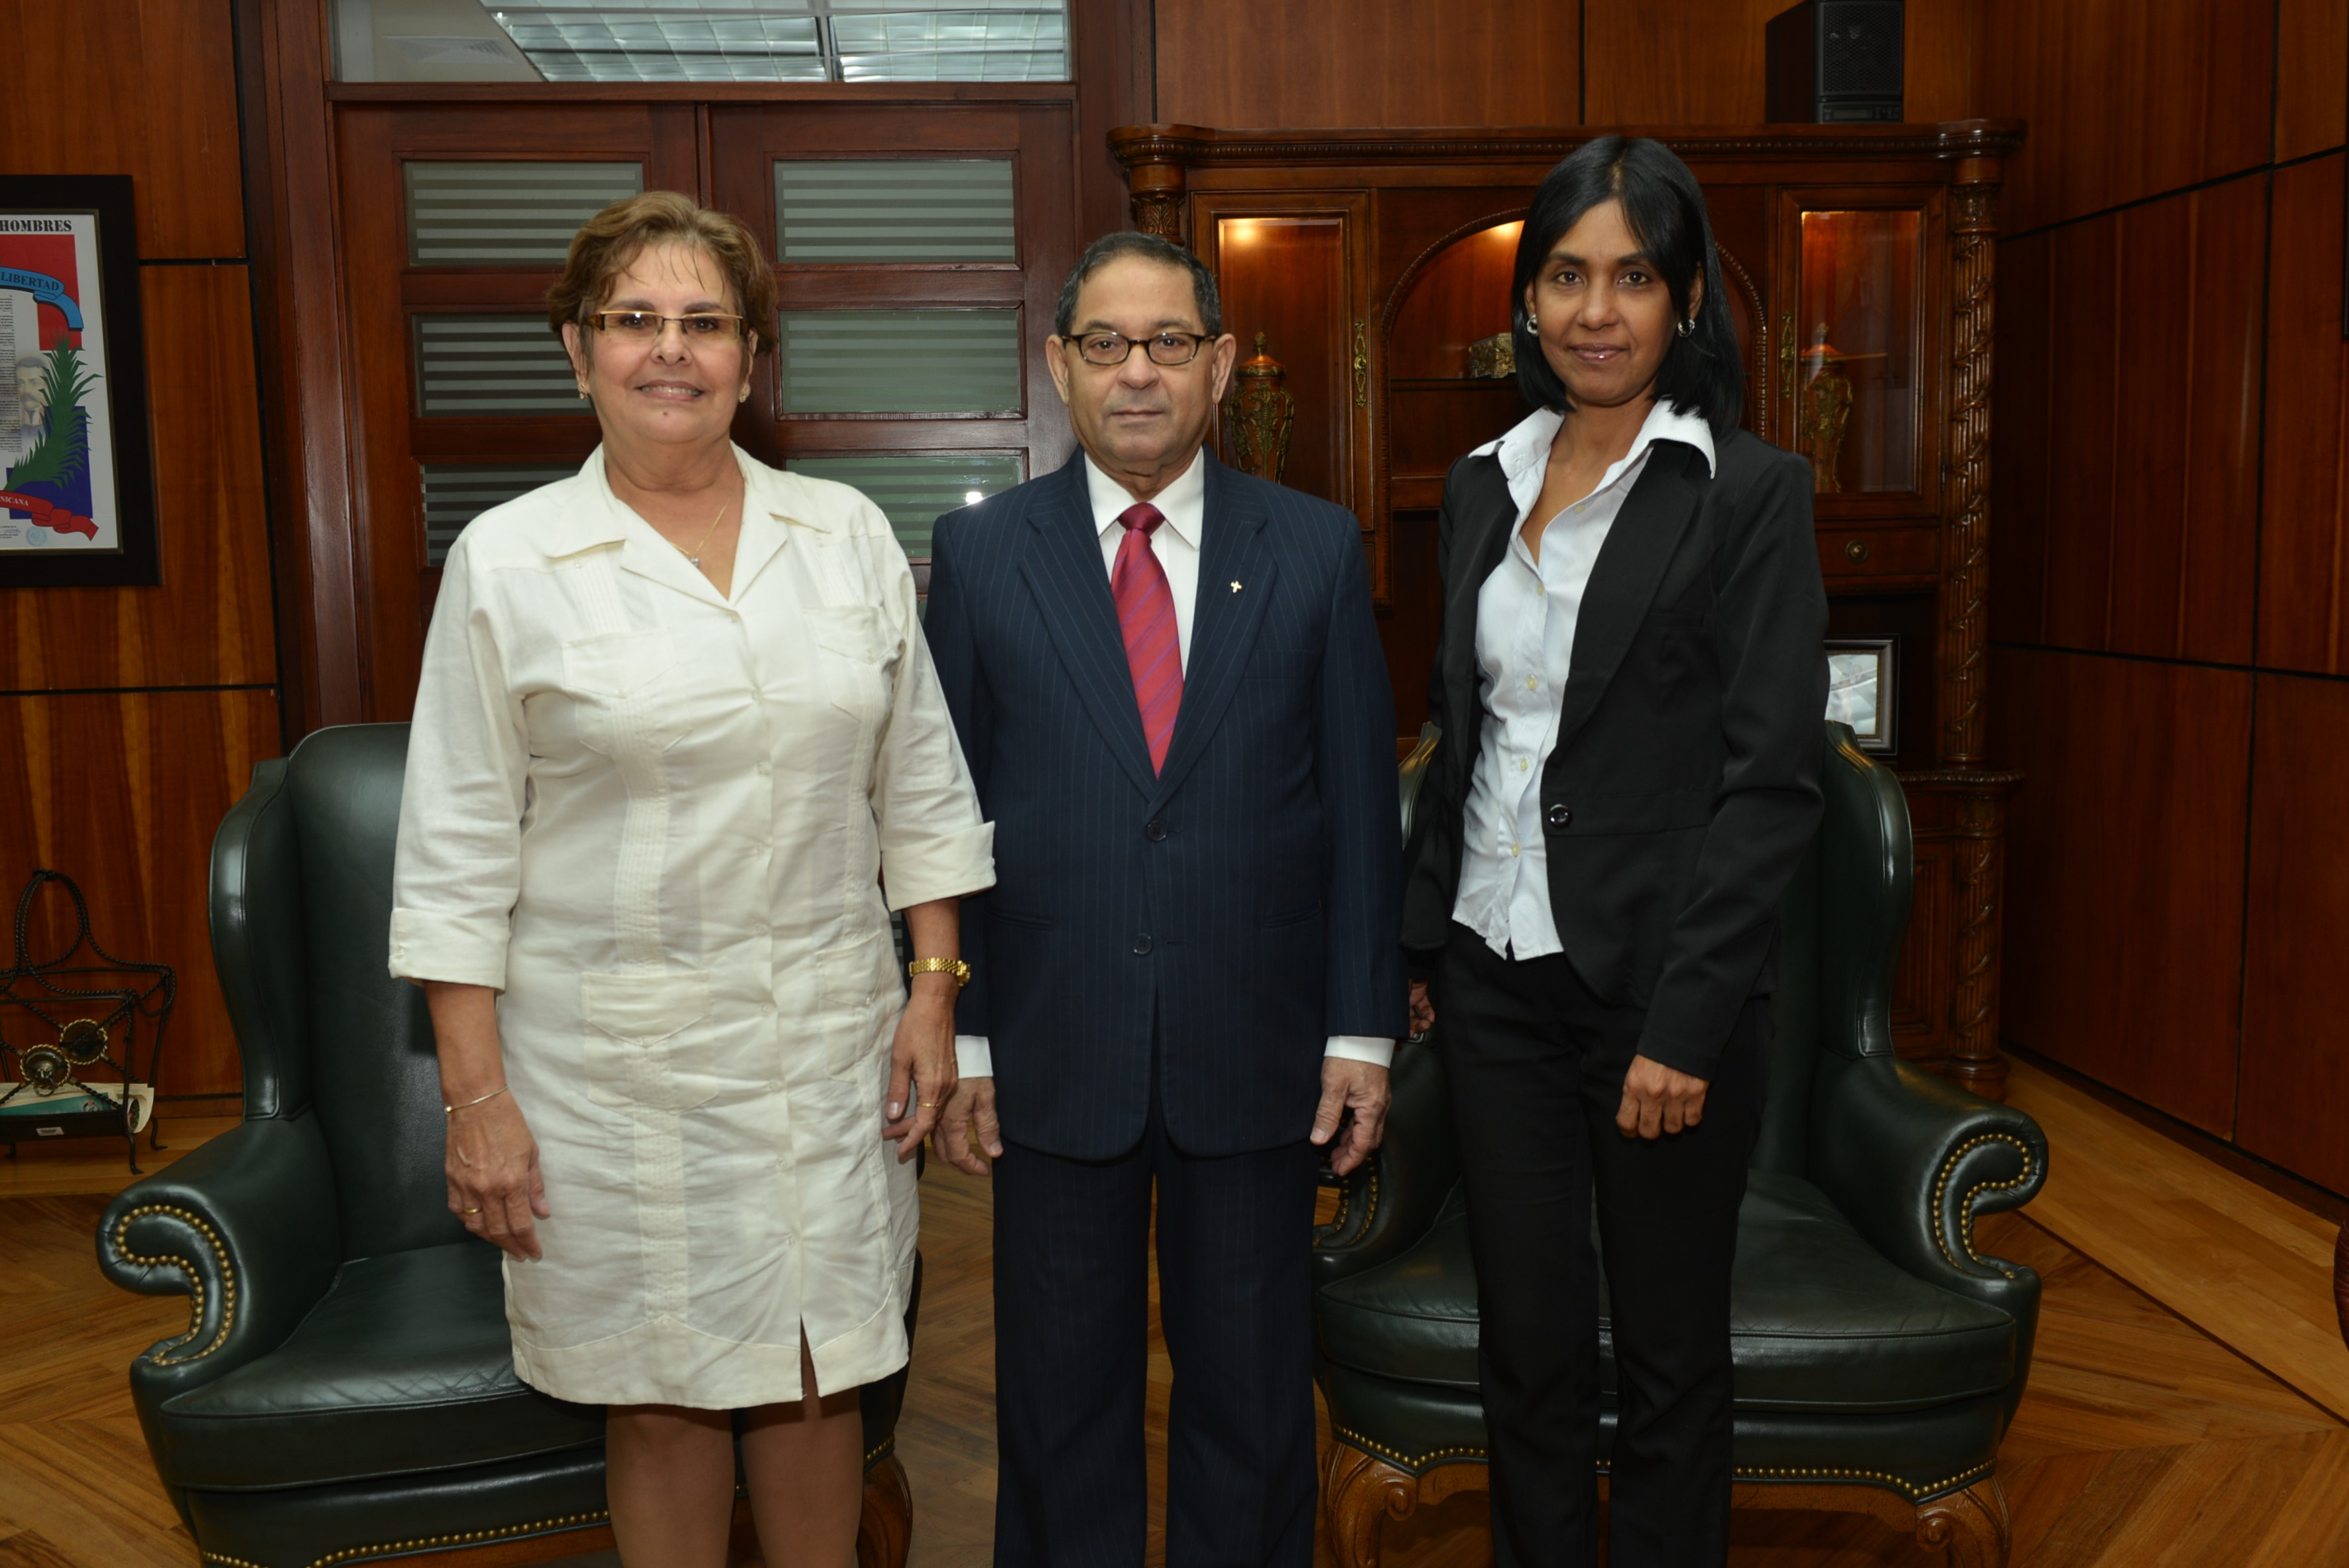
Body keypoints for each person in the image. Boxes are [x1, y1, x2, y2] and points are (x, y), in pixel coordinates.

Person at [387, 192, 994, 1568]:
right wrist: (476, 1099)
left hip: (830, 1045)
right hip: (610, 1074)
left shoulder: (840, 535)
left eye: (705, 323)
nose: (672, 351)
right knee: (657, 1397)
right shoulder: (510, 560)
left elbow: (920, 788)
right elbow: (455, 850)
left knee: (814, 1373)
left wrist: (933, 991)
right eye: (635, 321)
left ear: (752, 352)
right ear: (575, 346)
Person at [923, 231, 1408, 1567]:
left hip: (1253, 1044)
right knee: (1055, 1400)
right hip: (1049, 1047)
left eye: (1168, 344)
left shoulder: (1310, 547)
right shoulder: (980, 556)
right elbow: (937, 813)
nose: (1138, 373)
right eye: (1106, 345)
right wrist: (960, 1032)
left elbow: (1362, 808)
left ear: (1222, 365)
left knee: (1251, 1401)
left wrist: (1359, 1030)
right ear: (1059, 367)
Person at [1400, 138, 1829, 1567]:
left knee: (1664, 1363)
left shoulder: (1745, 493)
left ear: (1684, 296)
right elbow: (1461, 742)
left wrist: (1684, 1026)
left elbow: (1767, 786)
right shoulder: (1476, 481)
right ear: (1525, 302)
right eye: (1565, 276)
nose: (1596, 309)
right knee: (1520, 1350)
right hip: (1491, 982)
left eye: (1631, 276)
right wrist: (1418, 948)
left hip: (1657, 1005)